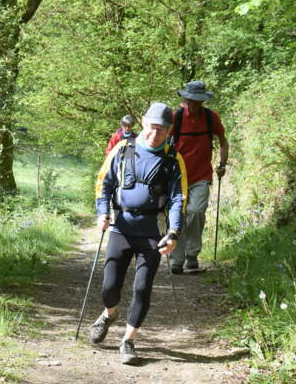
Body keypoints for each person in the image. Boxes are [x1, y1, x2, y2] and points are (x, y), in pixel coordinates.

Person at [90, 103, 187, 364]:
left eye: (162, 130)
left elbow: (178, 198)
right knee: (110, 287)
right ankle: (109, 314)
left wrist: (174, 231)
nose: (156, 134)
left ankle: (128, 340)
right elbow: (104, 182)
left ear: (169, 131)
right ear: (144, 123)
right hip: (121, 227)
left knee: (142, 287)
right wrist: (102, 213)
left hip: (152, 233)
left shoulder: (173, 159)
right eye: (152, 127)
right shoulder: (122, 149)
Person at [169, 79, 229, 274]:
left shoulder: (211, 118)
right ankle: (176, 259)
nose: (194, 105)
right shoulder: (176, 118)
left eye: (198, 101)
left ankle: (192, 254)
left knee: (195, 211)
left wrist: (222, 164)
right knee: (178, 215)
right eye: (191, 101)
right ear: (186, 100)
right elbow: (164, 144)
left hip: (202, 175)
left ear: (203, 101)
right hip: (177, 176)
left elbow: (223, 142)